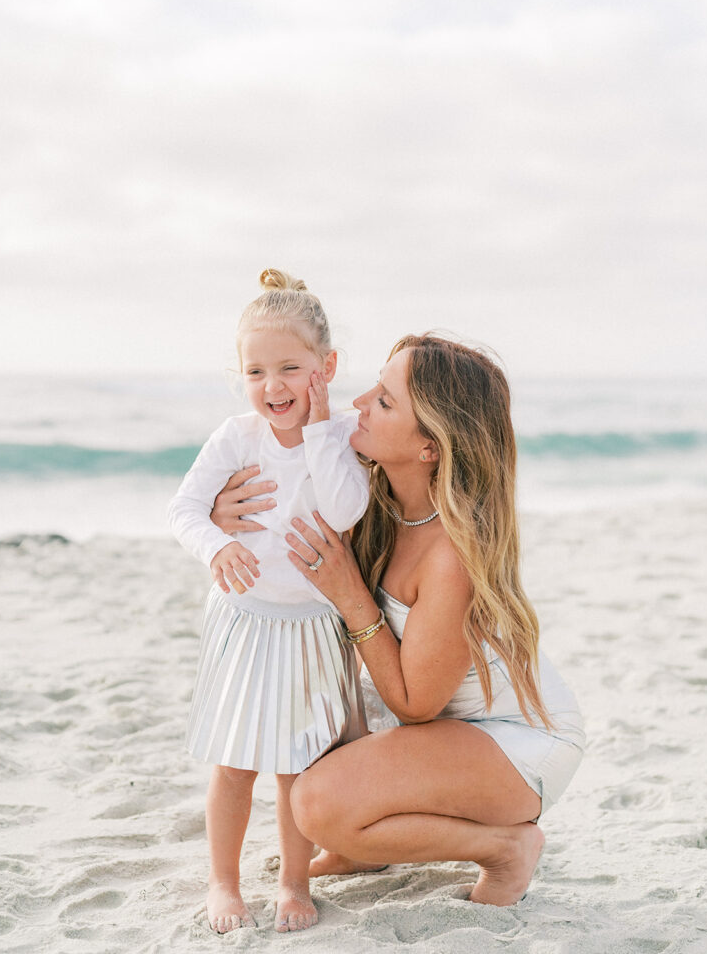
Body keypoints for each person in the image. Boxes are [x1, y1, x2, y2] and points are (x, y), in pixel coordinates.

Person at [211, 333, 585, 908]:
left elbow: (415, 704)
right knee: (311, 707)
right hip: (448, 731)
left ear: (429, 445)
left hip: (517, 744)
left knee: (316, 804)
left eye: (384, 401)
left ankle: (504, 847)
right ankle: (364, 845)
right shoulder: (375, 497)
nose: (358, 402)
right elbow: (286, 513)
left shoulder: (452, 556)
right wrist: (220, 517)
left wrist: (351, 594)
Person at [168, 270, 370, 934]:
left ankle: (291, 880)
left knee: (294, 766)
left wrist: (316, 434)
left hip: (311, 625)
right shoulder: (236, 436)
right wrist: (214, 548)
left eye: (290, 368)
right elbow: (186, 509)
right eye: (256, 371)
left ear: (326, 368)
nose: (273, 386)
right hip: (247, 619)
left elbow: (344, 510)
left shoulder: (339, 436)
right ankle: (223, 882)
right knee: (236, 762)